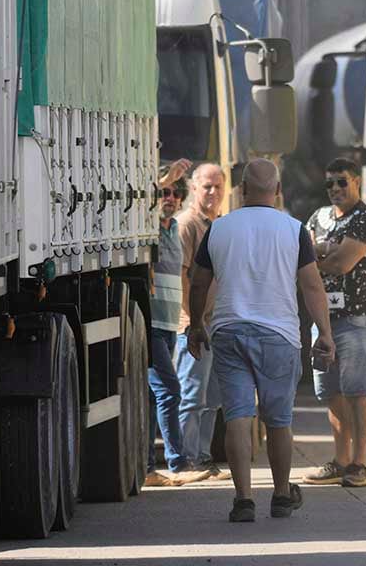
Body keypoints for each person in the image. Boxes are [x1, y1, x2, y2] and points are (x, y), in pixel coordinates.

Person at [188, 158, 334, 522]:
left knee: (238, 415)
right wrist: (325, 333)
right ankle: (282, 496)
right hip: (279, 335)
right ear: (279, 191)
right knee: (278, 420)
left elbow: (199, 282)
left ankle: (243, 500)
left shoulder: (219, 228)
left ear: (240, 190)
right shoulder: (293, 229)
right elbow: (312, 284)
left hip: (229, 331)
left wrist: (195, 325)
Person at [303, 158, 366, 488]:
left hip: (356, 318)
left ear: (356, 182)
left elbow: (342, 264)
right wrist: (325, 250)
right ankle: (340, 460)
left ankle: (359, 464)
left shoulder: (365, 220)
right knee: (330, 392)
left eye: (342, 182)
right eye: (330, 184)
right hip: (323, 319)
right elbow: (303, 258)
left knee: (356, 391)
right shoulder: (317, 217)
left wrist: (320, 253)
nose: (335, 189)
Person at [144, 159, 214, 487]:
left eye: (176, 192)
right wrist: (161, 181)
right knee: (170, 389)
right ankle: (176, 462)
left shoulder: (172, 228)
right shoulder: (152, 225)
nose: (170, 197)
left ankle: (149, 466)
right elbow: (142, 204)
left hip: (169, 322)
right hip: (151, 321)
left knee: (156, 393)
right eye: (165, 192)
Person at [176, 163, 231, 480]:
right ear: (194, 188)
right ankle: (188, 460)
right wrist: (191, 320)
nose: (212, 192)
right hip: (193, 327)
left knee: (212, 399)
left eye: (218, 186)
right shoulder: (188, 225)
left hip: (215, 325)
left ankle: (204, 458)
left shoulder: (220, 226)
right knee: (192, 395)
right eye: (206, 186)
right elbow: (182, 276)